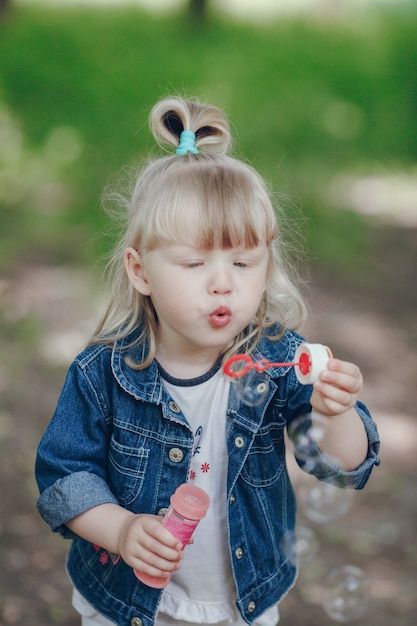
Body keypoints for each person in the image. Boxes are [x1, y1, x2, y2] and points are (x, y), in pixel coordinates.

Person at [35, 96, 380, 626]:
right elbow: (65, 476)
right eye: (195, 262)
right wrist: (121, 531)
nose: (223, 281)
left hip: (242, 602)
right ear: (140, 270)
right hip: (125, 602)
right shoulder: (102, 372)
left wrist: (337, 412)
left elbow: (342, 467)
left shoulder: (277, 360)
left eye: (244, 262)